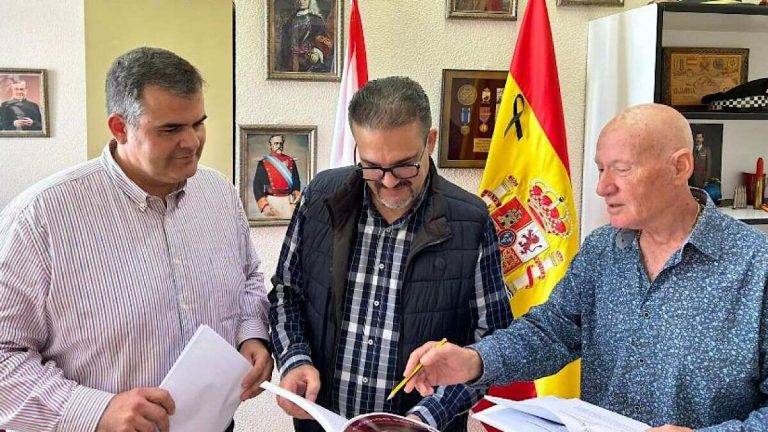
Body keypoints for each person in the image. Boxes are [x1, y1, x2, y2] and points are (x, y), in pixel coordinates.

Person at [402, 103, 768, 431]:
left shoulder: (756, 265)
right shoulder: (602, 250)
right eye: (600, 169)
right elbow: (550, 332)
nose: (602, 187)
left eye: (621, 170)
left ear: (680, 166)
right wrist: (473, 360)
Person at [0, 47, 273, 431]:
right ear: (119, 127)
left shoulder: (219, 194)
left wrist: (252, 334)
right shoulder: (40, 217)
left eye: (198, 123)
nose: (192, 142)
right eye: (171, 129)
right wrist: (94, 411)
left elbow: (248, 278)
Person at [268, 76, 513, 432]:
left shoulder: (470, 221)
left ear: (429, 142)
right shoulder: (321, 197)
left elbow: (491, 343)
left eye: (404, 166)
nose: (388, 182)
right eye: (371, 165)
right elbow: (285, 292)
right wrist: (294, 359)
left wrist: (424, 418)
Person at [252, 134, 302, 218]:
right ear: (270, 145)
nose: (279, 146)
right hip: (271, 202)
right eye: (276, 143)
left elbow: (296, 182)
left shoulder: (290, 161)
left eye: (280, 143)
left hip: (288, 202)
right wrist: (264, 206)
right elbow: (257, 185)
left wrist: (296, 198)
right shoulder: (263, 162)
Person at [280, 0, 333, 73]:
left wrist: (317, 52)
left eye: (305, 0)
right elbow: (285, 41)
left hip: (310, 59)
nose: (301, 2)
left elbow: (324, 40)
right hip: (292, 59)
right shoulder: (289, 21)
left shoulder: (317, 20)